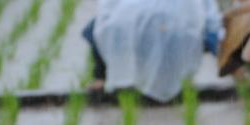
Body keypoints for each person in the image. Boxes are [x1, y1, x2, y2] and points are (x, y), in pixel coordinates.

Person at [81, 0, 222, 101]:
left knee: (98, 29)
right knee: (201, 33)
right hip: (177, 30)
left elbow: (106, 10)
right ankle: (178, 80)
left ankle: (100, 77)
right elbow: (211, 18)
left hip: (132, 24)